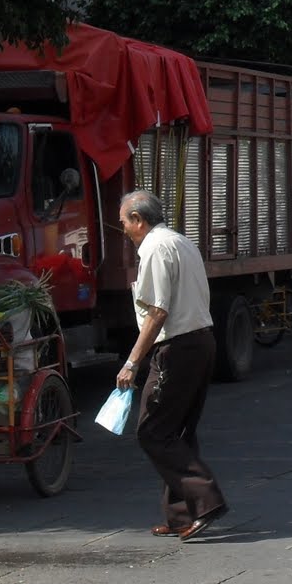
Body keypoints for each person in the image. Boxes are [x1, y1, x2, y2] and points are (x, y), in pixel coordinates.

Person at [116, 190, 227, 541]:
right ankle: (181, 513)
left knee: (152, 431)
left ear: (138, 219)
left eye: (124, 223)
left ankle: (206, 500)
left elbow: (157, 311)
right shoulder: (182, 242)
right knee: (177, 431)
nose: (123, 230)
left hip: (177, 347)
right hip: (201, 341)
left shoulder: (155, 247)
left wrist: (132, 362)